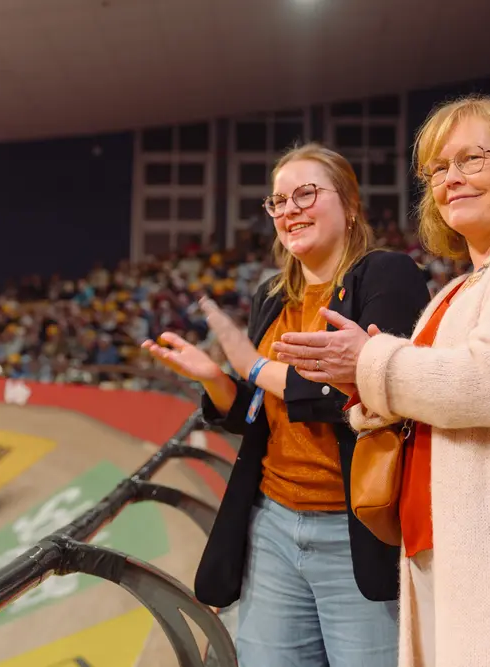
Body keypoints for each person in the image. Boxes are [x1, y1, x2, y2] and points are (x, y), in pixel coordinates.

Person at [273, 95, 490, 666]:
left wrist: (370, 363)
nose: (451, 178)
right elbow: (423, 393)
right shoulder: (455, 291)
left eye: (471, 159)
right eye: (438, 168)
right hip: (440, 548)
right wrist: (363, 389)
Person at [143, 142, 430, 666]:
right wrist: (218, 381)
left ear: (349, 205)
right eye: (278, 201)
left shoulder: (387, 274)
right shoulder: (271, 296)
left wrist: (253, 366)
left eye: (305, 193)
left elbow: (361, 396)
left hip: (358, 534)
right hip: (272, 527)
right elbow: (261, 411)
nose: (290, 209)